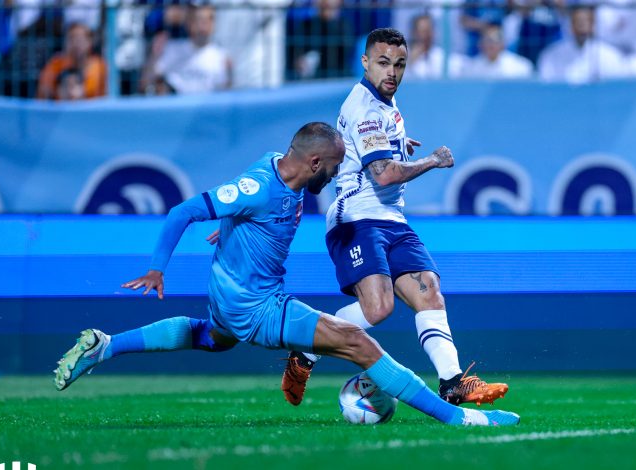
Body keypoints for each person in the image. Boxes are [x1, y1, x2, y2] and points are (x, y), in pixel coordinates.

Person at [52, 122, 520, 428]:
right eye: (334, 169)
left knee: (212, 337)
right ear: (315, 163)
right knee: (359, 343)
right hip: (255, 306)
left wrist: (233, 227)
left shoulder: (282, 165)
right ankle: (457, 419)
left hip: (229, 298)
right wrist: (157, 269)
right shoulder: (261, 186)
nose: (336, 177)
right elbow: (182, 211)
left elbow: (249, 209)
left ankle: (106, 344)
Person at [281, 28, 509, 408]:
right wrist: (432, 161)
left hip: (390, 218)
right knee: (379, 308)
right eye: (384, 63)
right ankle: (305, 349)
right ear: (365, 62)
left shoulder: (385, 104)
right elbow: (384, 174)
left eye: (400, 64)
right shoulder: (365, 108)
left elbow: (378, 157)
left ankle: (453, 382)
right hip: (356, 218)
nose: (392, 71)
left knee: (429, 291)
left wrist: (398, 145)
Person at [140, 4, 232, 94]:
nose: (204, 24)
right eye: (199, 19)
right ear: (189, 23)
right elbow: (145, 83)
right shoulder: (173, 49)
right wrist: (155, 55)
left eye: (209, 18)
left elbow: (225, 92)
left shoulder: (222, 57)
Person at [538, 3, 632, 83]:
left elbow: (615, 86)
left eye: (585, 21)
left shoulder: (609, 55)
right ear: (570, 24)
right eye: (577, 21)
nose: (581, 26)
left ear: (593, 24)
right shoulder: (552, 55)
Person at [37, 22, 107, 100]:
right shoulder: (56, 63)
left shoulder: (98, 65)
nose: (75, 44)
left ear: (89, 42)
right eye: (71, 38)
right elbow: (44, 91)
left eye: (80, 39)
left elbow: (91, 92)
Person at [460, 23, 533, 79]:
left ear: (502, 44)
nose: (489, 45)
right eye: (486, 41)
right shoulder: (472, 67)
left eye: (493, 41)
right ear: (480, 44)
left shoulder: (520, 66)